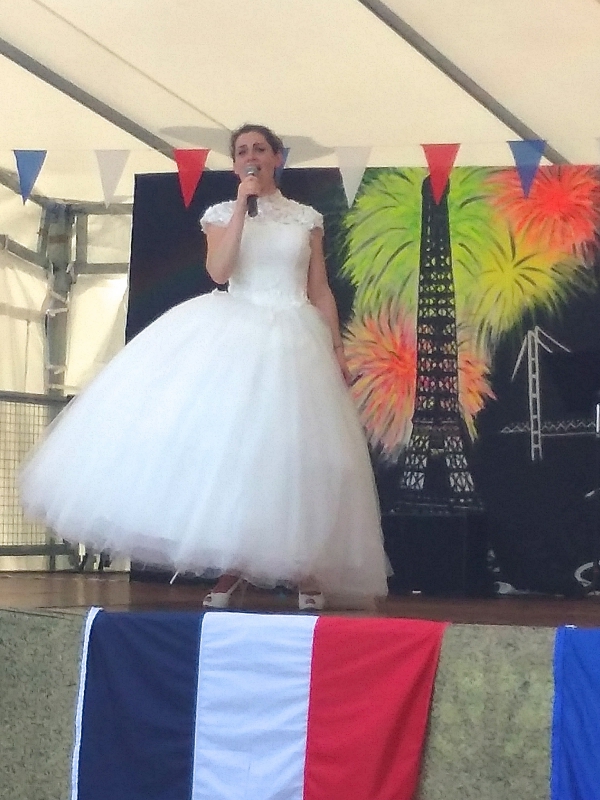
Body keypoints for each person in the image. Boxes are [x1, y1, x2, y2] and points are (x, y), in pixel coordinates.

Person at [19, 123, 389, 610]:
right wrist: (241, 207)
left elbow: (318, 289)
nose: (251, 156)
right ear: (234, 165)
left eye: (260, 149)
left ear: (277, 157)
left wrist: (336, 348)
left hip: (294, 337)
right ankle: (233, 563)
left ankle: (303, 567)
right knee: (232, 452)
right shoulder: (219, 213)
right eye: (242, 151)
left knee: (291, 455)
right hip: (237, 332)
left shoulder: (306, 219)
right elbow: (219, 271)